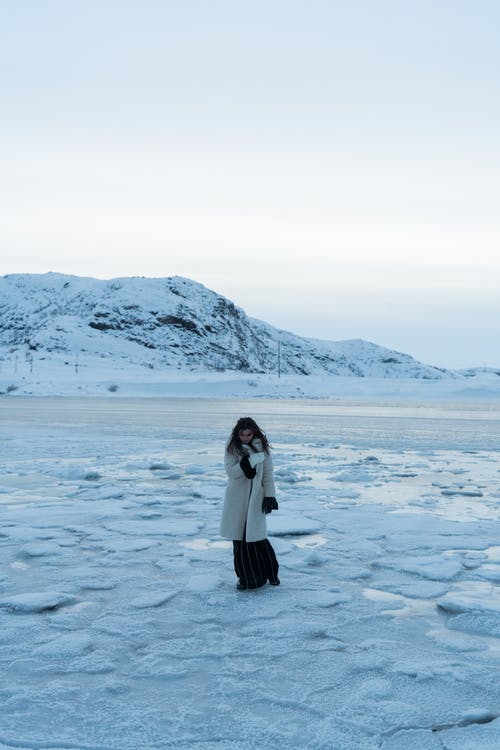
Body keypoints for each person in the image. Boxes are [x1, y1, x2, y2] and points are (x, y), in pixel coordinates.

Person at [220, 417, 280, 590]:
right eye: (242, 434)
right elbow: (231, 472)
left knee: (257, 539)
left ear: (254, 432)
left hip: (255, 500)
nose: (245, 437)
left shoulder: (263, 448)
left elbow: (268, 474)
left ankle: (271, 573)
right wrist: (247, 462)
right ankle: (245, 578)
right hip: (237, 501)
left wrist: (270, 496)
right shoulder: (232, 448)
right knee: (240, 540)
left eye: (248, 434)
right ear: (237, 433)